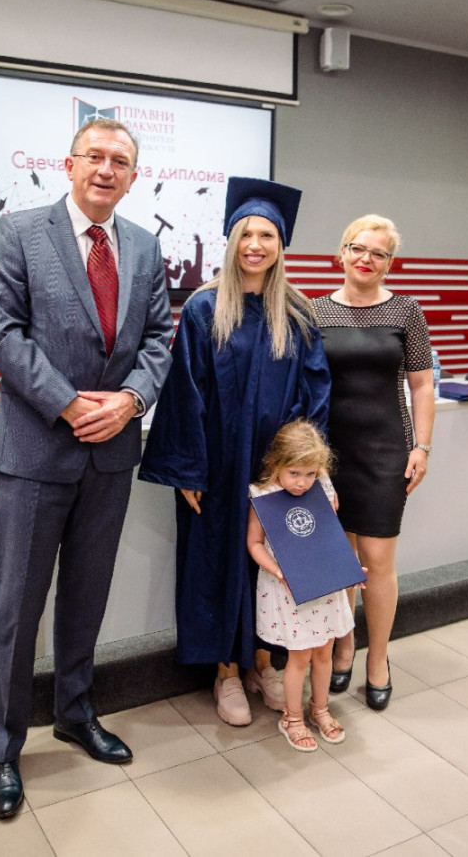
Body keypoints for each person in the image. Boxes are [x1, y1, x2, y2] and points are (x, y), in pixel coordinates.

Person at [0, 118, 173, 818]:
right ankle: (5, 748)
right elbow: (2, 332)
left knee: (87, 597)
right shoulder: (19, 231)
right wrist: (67, 404)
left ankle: (74, 711)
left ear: (133, 176)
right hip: (37, 450)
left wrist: (131, 401)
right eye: (95, 155)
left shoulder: (145, 246)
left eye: (120, 161)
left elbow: (159, 337)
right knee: (18, 607)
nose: (106, 169)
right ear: (69, 164)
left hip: (111, 454)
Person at [139, 177, 331, 726]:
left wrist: (299, 470)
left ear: (280, 244)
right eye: (246, 234)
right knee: (217, 561)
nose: (255, 244)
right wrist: (188, 471)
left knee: (271, 566)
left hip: (276, 471)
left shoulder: (296, 313)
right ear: (231, 240)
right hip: (217, 467)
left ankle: (263, 663)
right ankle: (225, 672)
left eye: (266, 235)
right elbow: (185, 392)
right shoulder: (204, 309)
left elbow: (315, 393)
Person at [313, 215, 435, 710]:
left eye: (378, 253)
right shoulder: (315, 310)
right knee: (341, 560)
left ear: (390, 263)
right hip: (328, 454)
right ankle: (344, 647)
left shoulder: (407, 310)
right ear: (341, 253)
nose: (366, 259)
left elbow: (421, 385)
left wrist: (422, 447)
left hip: (386, 453)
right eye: (358, 248)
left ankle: (378, 658)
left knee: (378, 562)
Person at [247, 419, 354, 751]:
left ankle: (320, 709)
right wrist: (279, 572)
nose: (302, 482)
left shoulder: (321, 489)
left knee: (324, 652)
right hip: (288, 590)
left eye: (310, 474)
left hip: (323, 586)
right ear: (276, 463)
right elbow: (254, 544)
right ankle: (292, 718)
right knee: (299, 656)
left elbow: (328, 535)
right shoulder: (264, 495)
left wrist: (348, 568)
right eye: (294, 473)